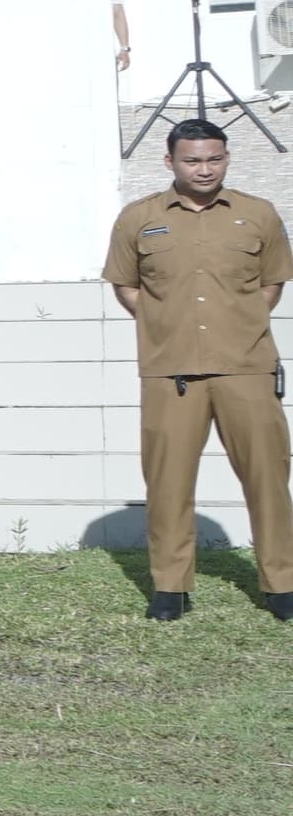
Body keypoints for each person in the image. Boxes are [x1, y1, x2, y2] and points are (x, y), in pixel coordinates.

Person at [101, 120, 293, 623]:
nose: (205, 169)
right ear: (171, 162)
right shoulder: (138, 219)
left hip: (246, 367)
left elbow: (272, 284)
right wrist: (166, 323)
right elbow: (126, 285)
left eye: (215, 159)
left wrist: (238, 323)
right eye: (193, 160)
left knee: (268, 479)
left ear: (226, 158)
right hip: (170, 372)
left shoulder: (258, 215)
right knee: (167, 482)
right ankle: (170, 588)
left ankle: (281, 585)